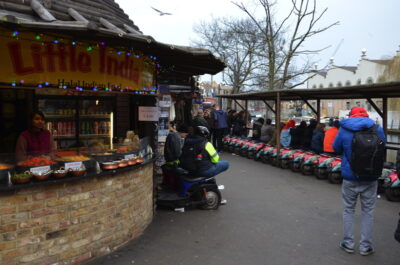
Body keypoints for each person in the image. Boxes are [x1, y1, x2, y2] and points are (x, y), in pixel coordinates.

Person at [333, 107, 386, 256]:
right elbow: (383, 148)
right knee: (368, 212)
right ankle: (366, 247)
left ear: (351, 115)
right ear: (367, 115)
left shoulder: (344, 129)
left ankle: (348, 243)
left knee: (349, 210)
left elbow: (335, 147)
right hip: (371, 177)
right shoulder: (377, 129)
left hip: (350, 177)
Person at [162, 124, 189, 190]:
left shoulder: (172, 135)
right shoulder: (176, 137)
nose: (185, 136)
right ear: (182, 132)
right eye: (186, 134)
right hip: (173, 162)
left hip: (169, 161)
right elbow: (177, 153)